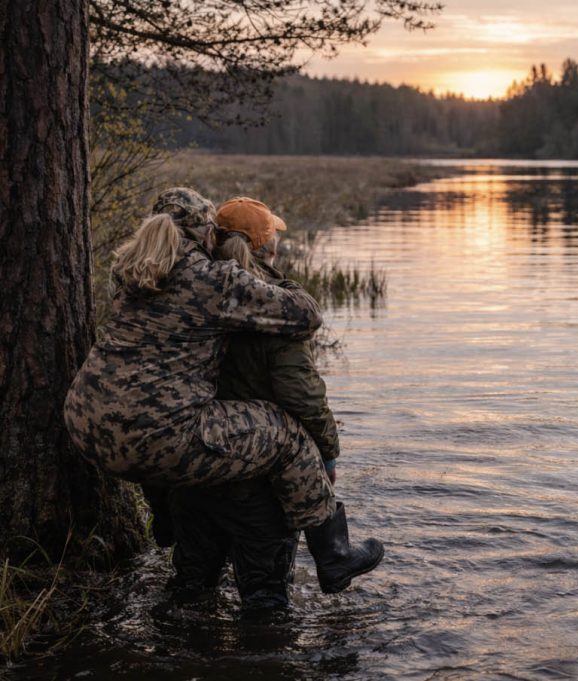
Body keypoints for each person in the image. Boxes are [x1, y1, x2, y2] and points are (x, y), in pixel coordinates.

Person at [64, 188, 382, 593]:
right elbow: (306, 316)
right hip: (159, 438)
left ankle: (165, 525)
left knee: (191, 574)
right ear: (204, 233)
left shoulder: (131, 274)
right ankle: (334, 555)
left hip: (86, 427)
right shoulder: (212, 279)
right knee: (288, 436)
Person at [167, 197, 383, 605]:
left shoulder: (188, 289)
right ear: (266, 247)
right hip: (257, 481)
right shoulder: (275, 303)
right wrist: (327, 452)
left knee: (189, 588)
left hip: (190, 465)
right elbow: (299, 390)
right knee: (265, 600)